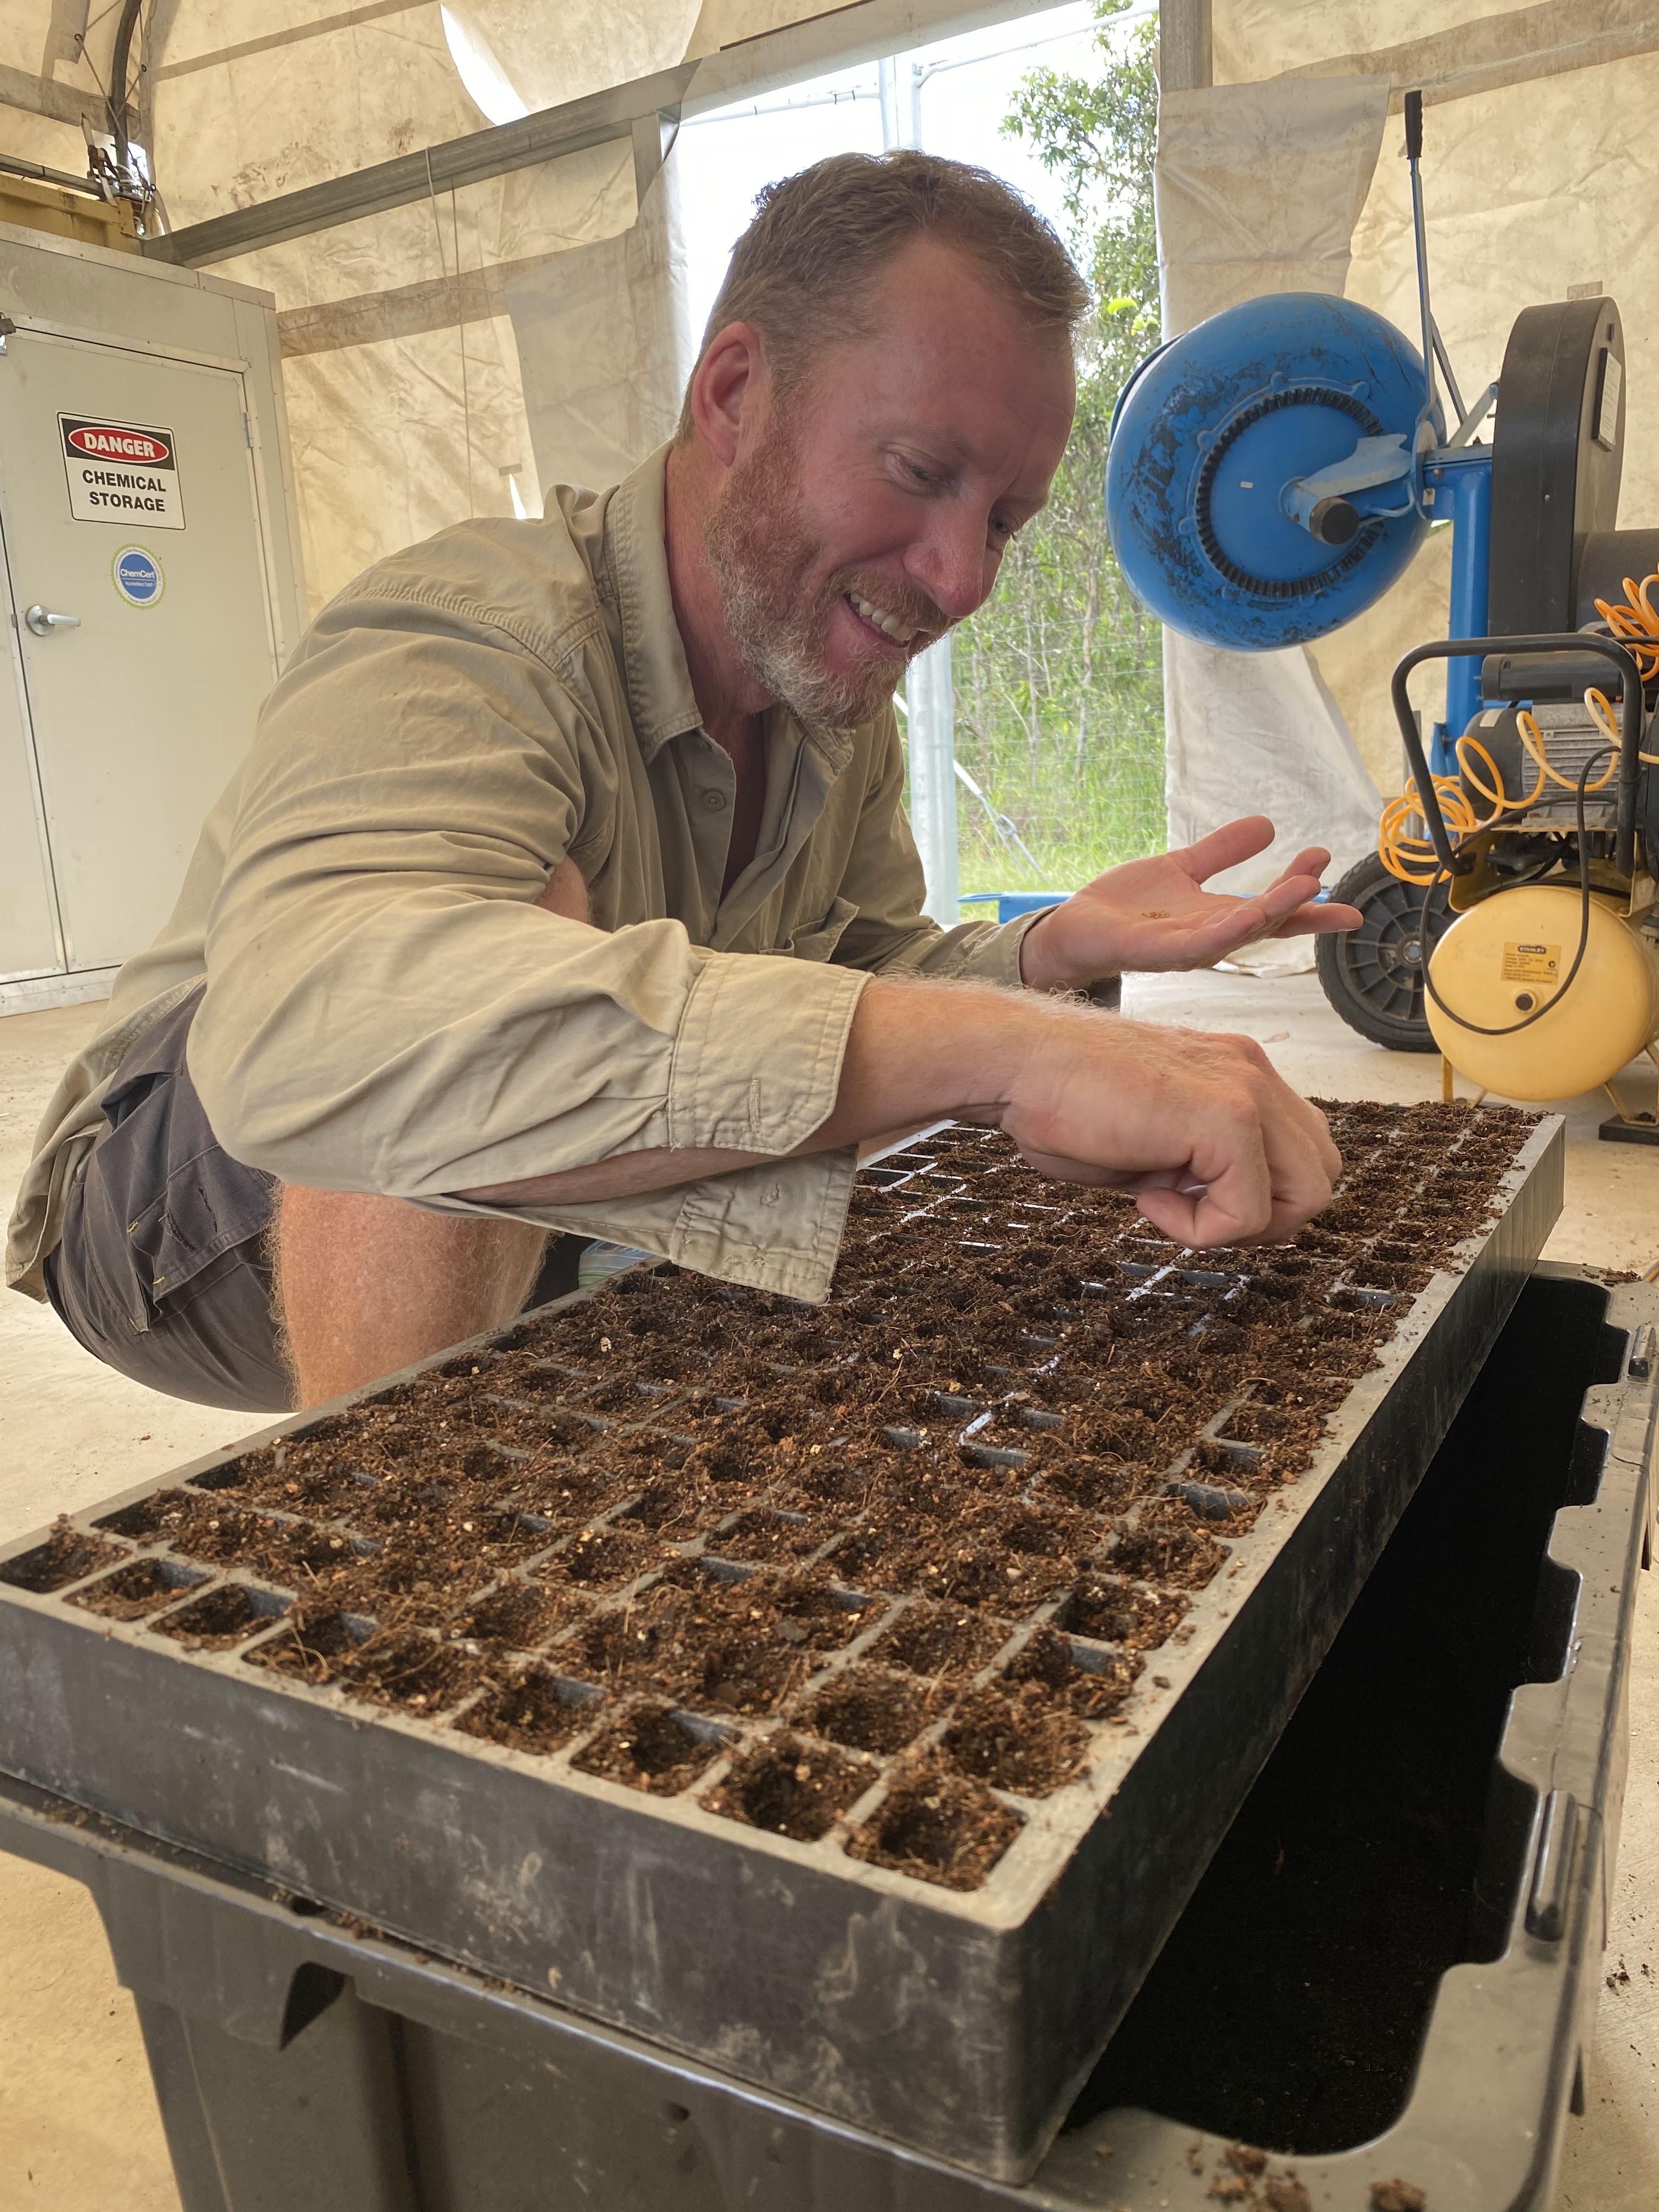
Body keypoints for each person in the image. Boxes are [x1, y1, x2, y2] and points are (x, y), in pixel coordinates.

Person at [7, 150, 1356, 1419]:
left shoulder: (832, 699)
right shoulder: (475, 630)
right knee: (499, 945)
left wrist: (1045, 958)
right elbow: (328, 1038)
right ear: (734, 396)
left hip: (509, 1185)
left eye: (1002, 520)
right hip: (163, 1206)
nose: (962, 580)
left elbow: (861, 977)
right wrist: (1016, 1051)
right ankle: (393, 1536)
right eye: (918, 472)